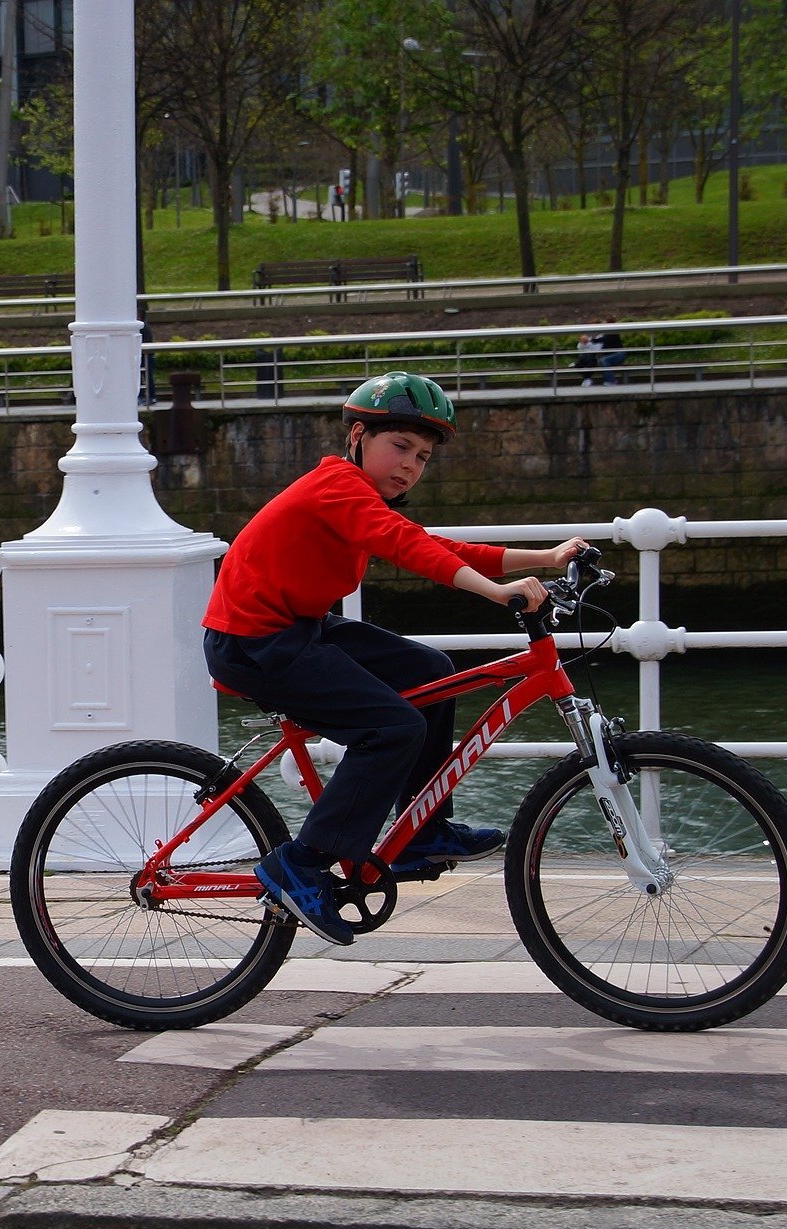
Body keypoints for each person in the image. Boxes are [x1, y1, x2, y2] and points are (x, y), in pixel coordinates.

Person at [201, 370, 587, 946]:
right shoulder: (336, 487)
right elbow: (409, 548)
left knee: (431, 671)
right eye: (399, 446)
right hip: (254, 641)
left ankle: (424, 831)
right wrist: (493, 592)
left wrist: (550, 557)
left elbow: (439, 546)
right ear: (357, 436)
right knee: (391, 726)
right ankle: (302, 863)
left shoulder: (359, 496)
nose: (410, 464)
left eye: (423, 457)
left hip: (299, 629)